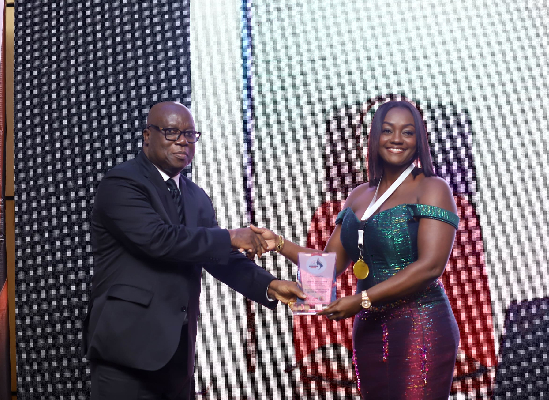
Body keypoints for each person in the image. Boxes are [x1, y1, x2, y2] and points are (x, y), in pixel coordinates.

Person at [82, 101, 304, 400]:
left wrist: (270, 285)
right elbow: (160, 240)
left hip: (176, 357)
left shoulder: (196, 196)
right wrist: (231, 236)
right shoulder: (122, 183)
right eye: (172, 132)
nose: (183, 141)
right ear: (148, 136)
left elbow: (217, 257)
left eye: (190, 134)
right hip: (126, 352)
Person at [254, 100, 460, 398]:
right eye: (388, 130)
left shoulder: (431, 187)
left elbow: (430, 267)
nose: (397, 139)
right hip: (369, 331)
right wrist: (280, 244)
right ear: (375, 137)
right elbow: (329, 264)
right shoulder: (359, 196)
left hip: (420, 327)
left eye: (408, 132)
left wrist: (360, 300)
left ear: (419, 141)